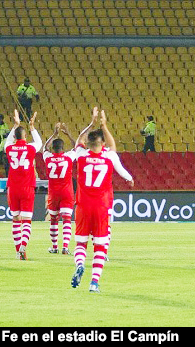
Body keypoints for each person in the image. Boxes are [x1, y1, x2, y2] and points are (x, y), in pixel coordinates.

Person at [70, 109, 133, 293]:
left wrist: (91, 122)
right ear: (102, 143)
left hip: (82, 206)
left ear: (87, 144)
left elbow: (78, 141)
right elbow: (114, 151)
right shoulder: (109, 156)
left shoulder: (81, 155)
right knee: (100, 246)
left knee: (81, 244)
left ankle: (80, 264)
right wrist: (104, 125)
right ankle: (94, 283)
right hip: (101, 207)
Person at [1, 109, 43, 260]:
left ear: (15, 137)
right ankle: (24, 245)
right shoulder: (31, 148)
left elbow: (7, 142)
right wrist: (32, 127)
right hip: (27, 187)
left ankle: (19, 250)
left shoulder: (9, 148)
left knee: (15, 220)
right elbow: (39, 142)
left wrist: (15, 125)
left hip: (13, 187)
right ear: (25, 136)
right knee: (26, 221)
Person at [43, 123, 80, 256]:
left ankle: (54, 247)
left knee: (53, 220)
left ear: (53, 148)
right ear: (63, 148)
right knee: (66, 220)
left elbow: (44, 148)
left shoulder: (48, 158)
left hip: (53, 193)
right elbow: (77, 146)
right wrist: (68, 133)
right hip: (67, 192)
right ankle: (65, 247)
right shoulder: (68, 157)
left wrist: (54, 134)